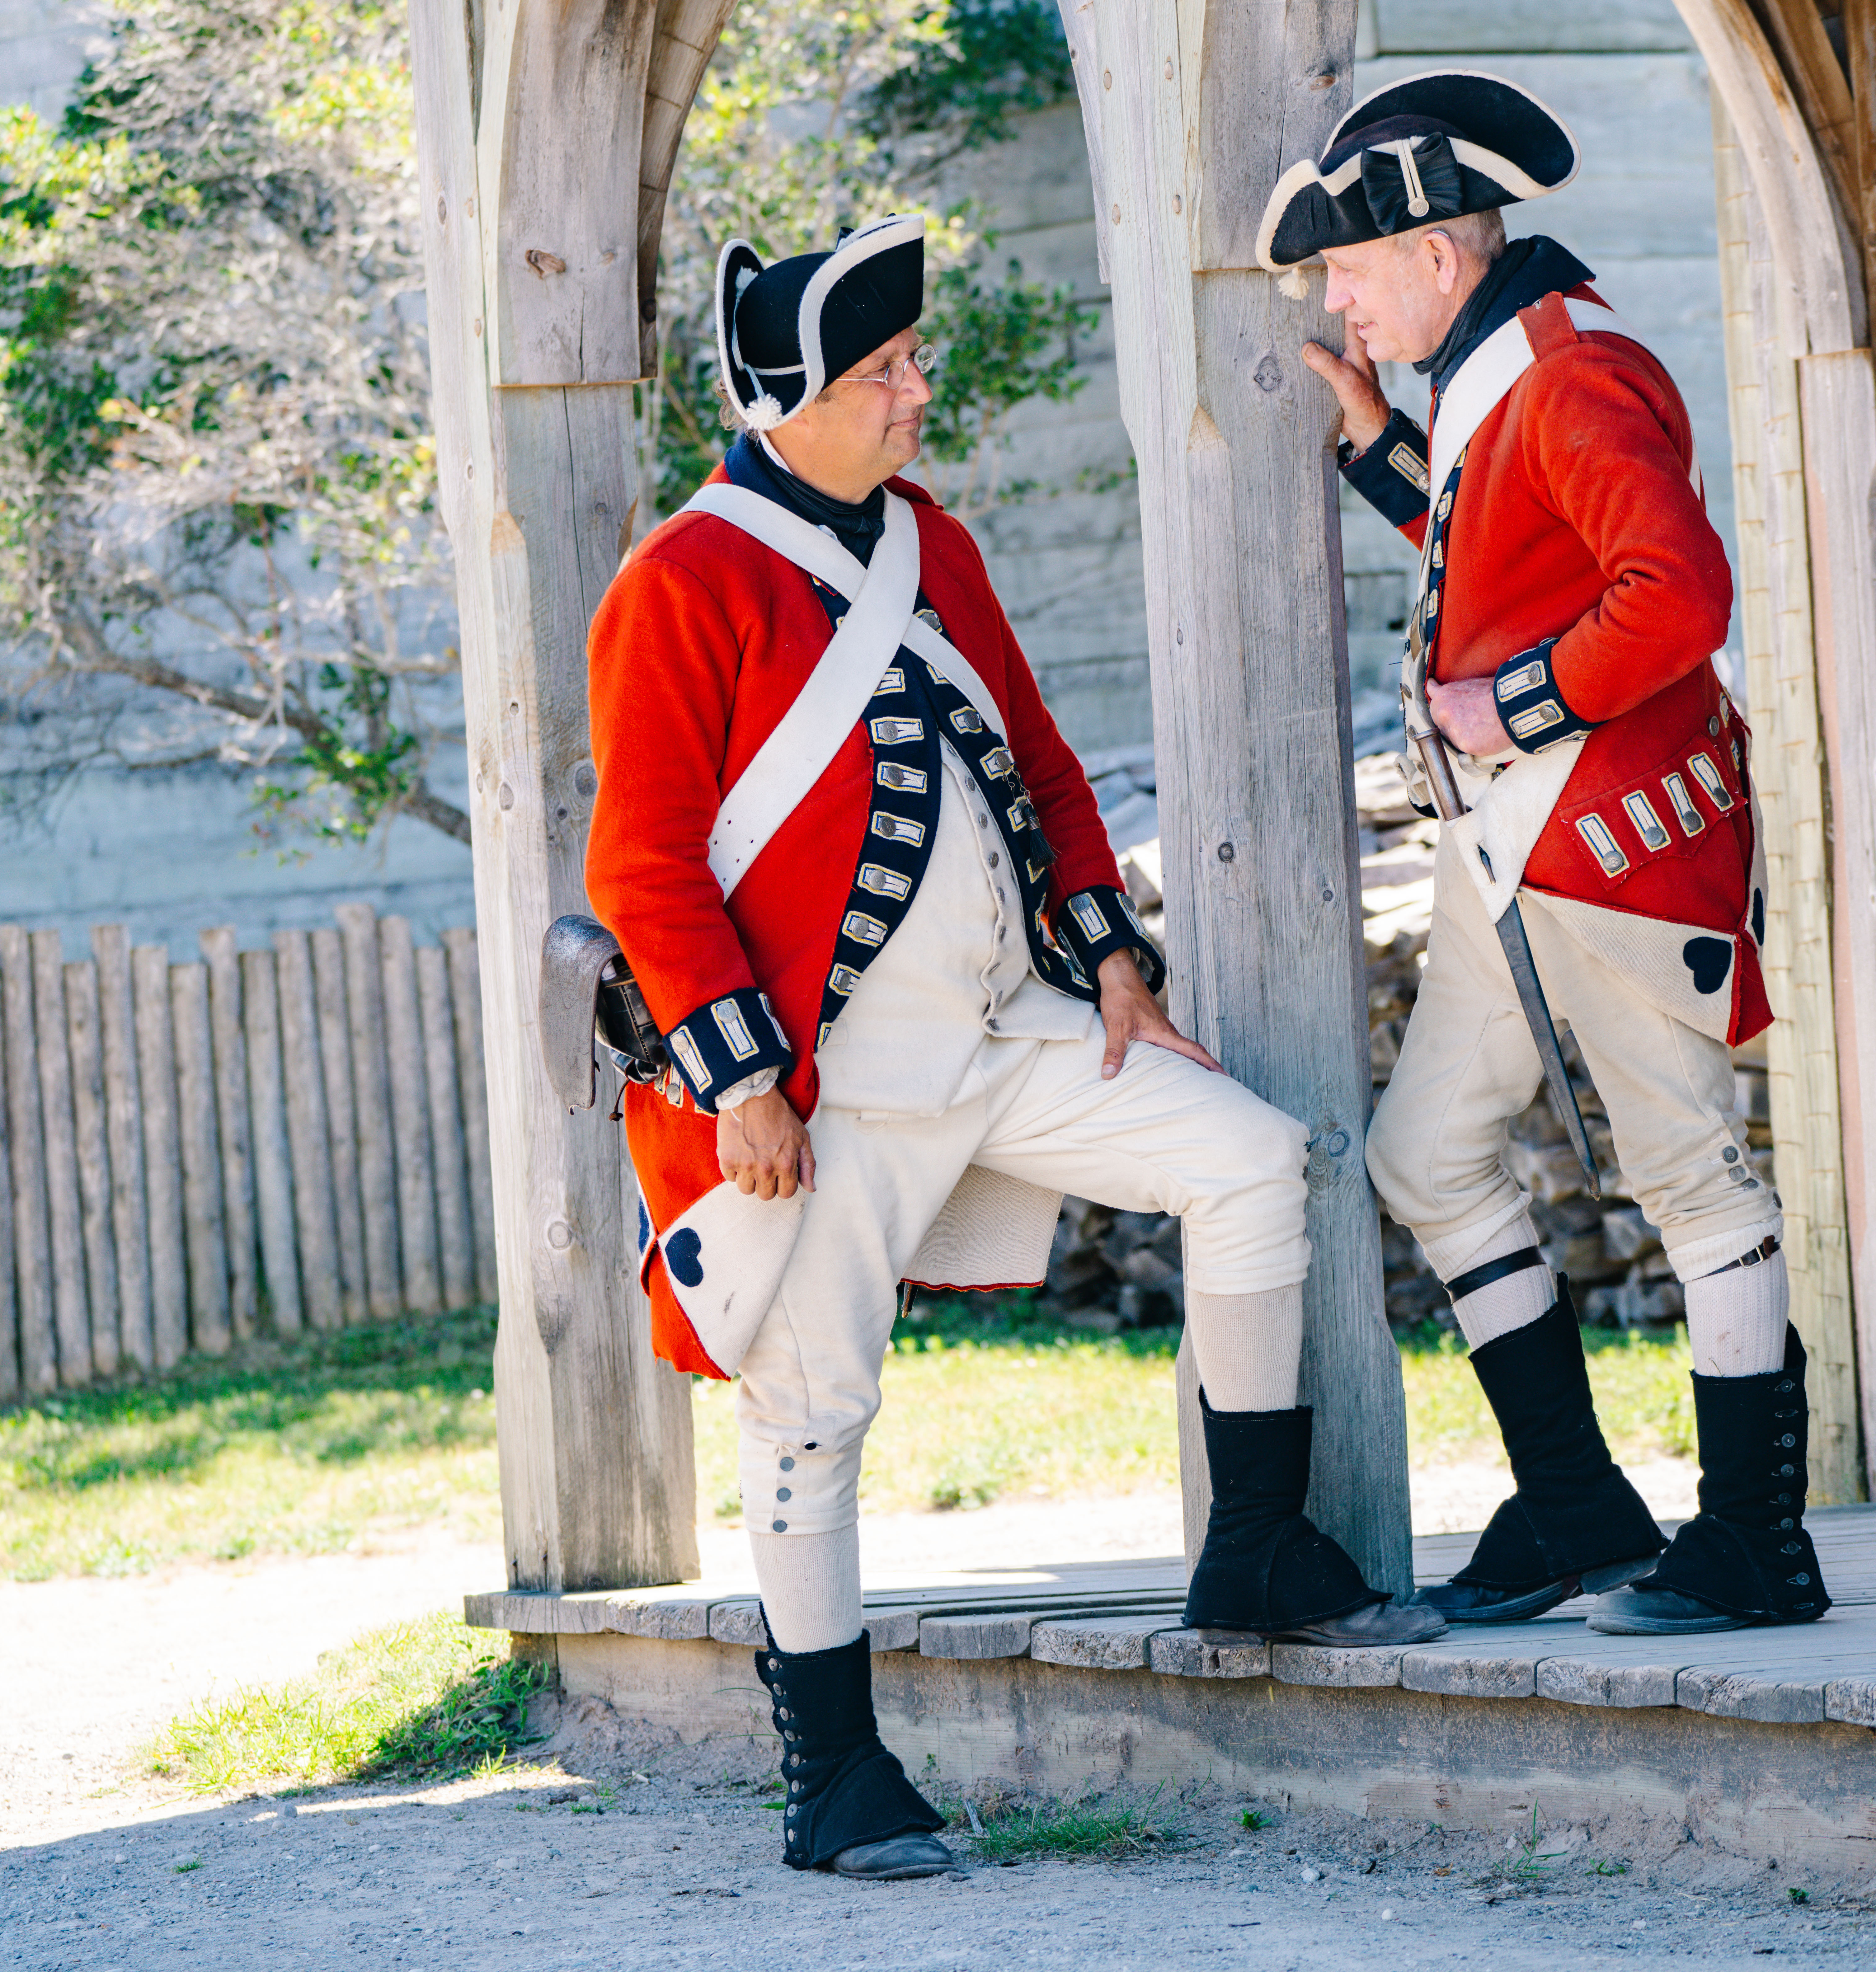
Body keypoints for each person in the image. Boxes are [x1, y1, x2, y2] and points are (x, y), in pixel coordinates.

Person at [583, 214, 1443, 1884]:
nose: (920, 392)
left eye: (911, 363)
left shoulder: (932, 546)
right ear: (798, 396)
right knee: (812, 1413)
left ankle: (1253, 1543)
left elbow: (1039, 763)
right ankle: (833, 1775)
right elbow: (646, 863)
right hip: (827, 1089)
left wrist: (1112, 958)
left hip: (1003, 1035)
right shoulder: (679, 582)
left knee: (1254, 1161)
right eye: (891, 371)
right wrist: (742, 1080)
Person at [1258, 73, 1831, 1637]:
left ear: (1440, 257)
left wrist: (1504, 707)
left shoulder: (1571, 378)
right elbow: (1506, 558)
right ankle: (1578, 1504)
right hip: (1514, 850)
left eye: (1356, 274)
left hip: (1609, 841)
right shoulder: (1501, 380)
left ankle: (1757, 1547)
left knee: (1695, 1184)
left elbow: (1677, 599)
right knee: (1425, 1157)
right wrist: (1385, 452)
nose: (1341, 304)